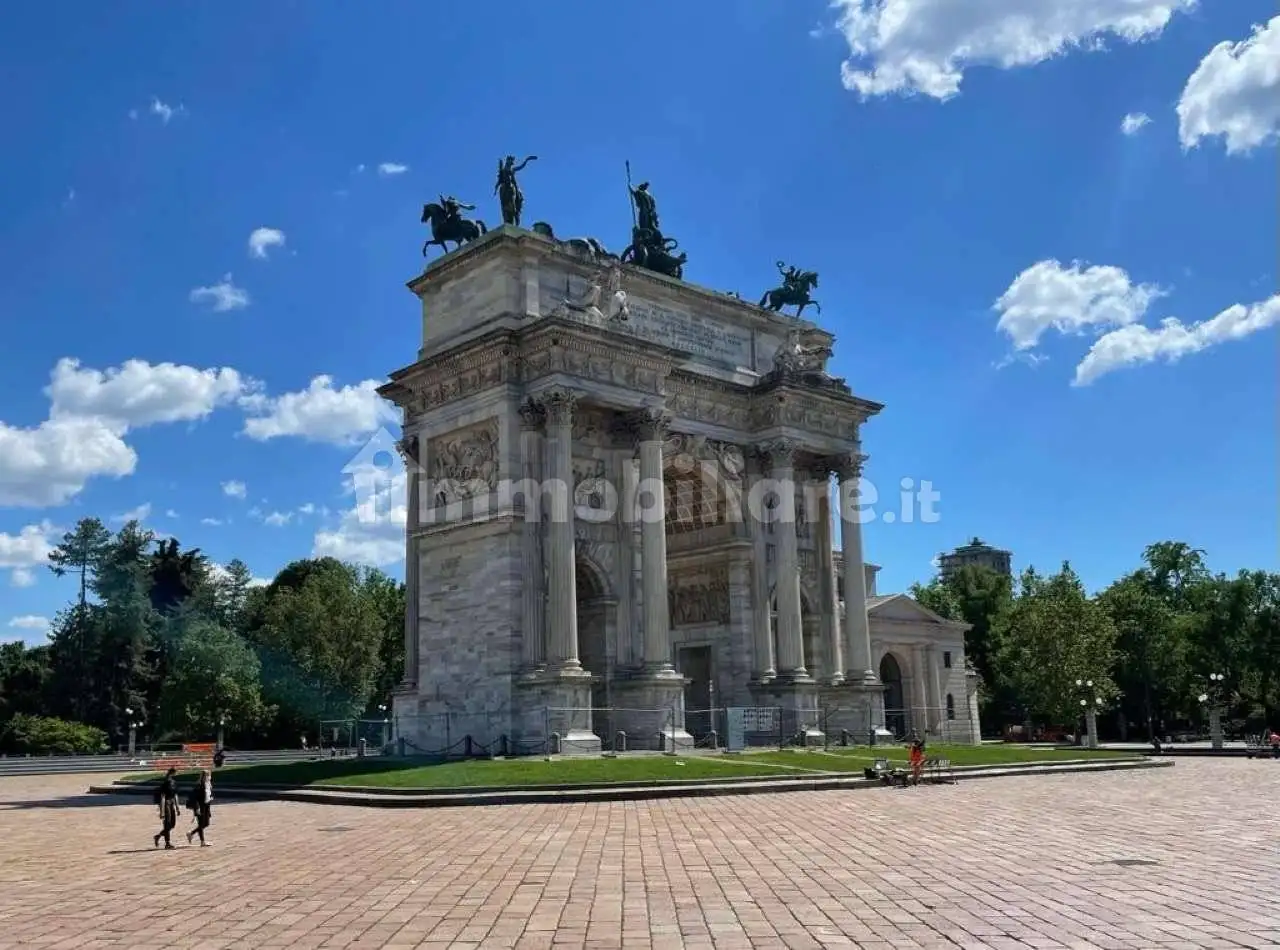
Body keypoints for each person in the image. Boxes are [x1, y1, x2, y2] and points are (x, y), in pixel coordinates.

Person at [152, 767, 180, 850]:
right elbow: (163, 797)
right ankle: (167, 843)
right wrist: (162, 811)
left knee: (172, 824)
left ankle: (158, 836)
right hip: (166, 803)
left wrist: (177, 807)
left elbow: (175, 795)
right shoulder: (165, 783)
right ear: (173, 773)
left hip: (171, 803)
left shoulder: (174, 782)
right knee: (167, 823)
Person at [185, 769, 214, 847]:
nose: (210, 777)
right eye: (208, 775)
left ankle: (191, 833)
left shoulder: (208, 785)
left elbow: (208, 795)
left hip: (207, 806)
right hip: (200, 807)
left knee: (206, 823)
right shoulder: (199, 786)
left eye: (210, 775)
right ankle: (202, 842)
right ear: (205, 777)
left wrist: (210, 798)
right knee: (201, 824)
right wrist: (197, 808)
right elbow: (195, 798)